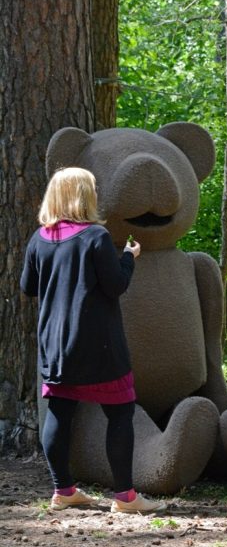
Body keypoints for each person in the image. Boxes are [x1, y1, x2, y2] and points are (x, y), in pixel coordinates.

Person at [19, 167, 166, 514]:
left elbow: (27, 287)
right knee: (119, 414)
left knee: (59, 411)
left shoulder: (40, 237)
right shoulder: (96, 237)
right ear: (85, 196)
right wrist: (129, 258)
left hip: (55, 342)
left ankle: (63, 489)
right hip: (99, 342)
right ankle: (125, 497)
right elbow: (116, 285)